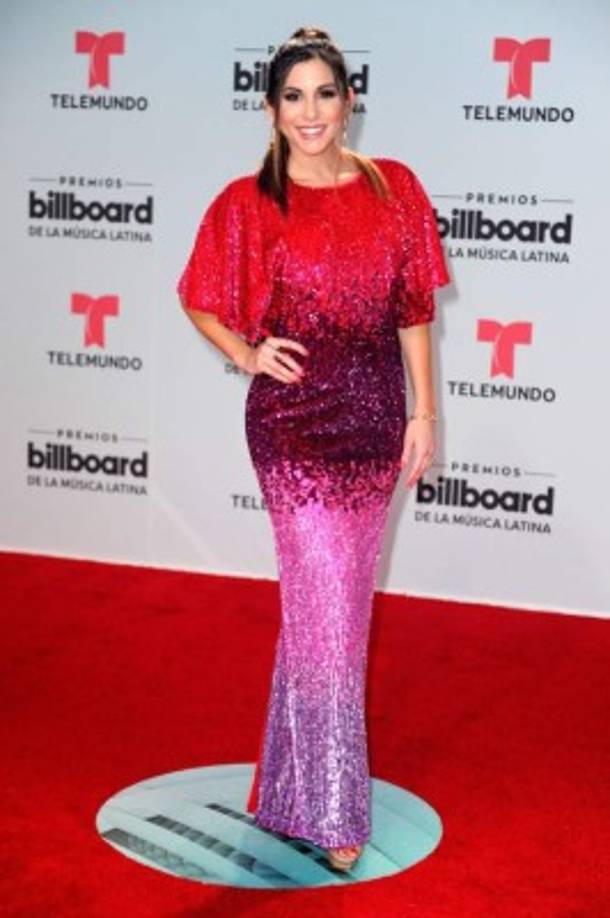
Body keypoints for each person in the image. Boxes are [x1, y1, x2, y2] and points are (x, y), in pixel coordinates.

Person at [177, 26, 450, 872]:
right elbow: (197, 299)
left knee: (326, 611)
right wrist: (247, 353)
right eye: (292, 96)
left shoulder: (394, 188)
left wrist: (425, 412)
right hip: (294, 430)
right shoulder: (250, 202)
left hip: (373, 421)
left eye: (324, 93)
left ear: (349, 100)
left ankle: (290, 784)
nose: (310, 112)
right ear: (269, 108)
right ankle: (333, 811)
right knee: (329, 614)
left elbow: (413, 309)